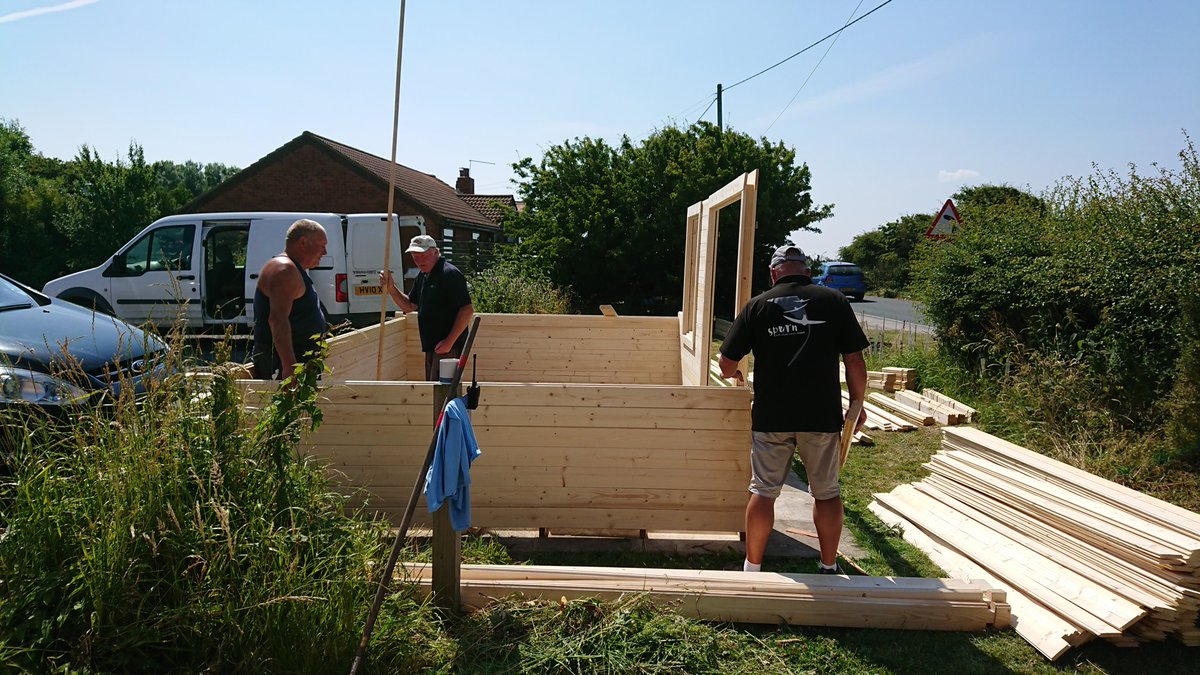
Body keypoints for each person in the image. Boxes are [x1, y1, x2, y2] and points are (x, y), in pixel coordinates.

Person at [718, 244, 869, 574]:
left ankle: (752, 567)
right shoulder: (833, 301)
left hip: (772, 416)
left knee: (763, 492)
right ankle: (828, 566)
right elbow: (854, 360)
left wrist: (736, 373)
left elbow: (727, 365)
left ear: (774, 273)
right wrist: (858, 406)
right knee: (826, 494)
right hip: (821, 416)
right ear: (806, 269)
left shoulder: (757, 306)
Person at [380, 234, 474, 380]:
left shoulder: (449, 274)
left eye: (423, 255)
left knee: (444, 394)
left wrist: (449, 342)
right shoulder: (423, 276)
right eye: (415, 257)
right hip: (434, 348)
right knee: (434, 391)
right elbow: (409, 305)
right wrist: (391, 289)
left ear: (436, 252)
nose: (419, 261)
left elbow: (467, 310)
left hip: (449, 350)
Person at [251, 219, 330, 380]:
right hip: (285, 366)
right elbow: (278, 319)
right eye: (322, 246)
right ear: (303, 242)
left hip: (300, 362)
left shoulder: (292, 269)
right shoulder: (284, 270)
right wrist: (289, 366)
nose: (325, 253)